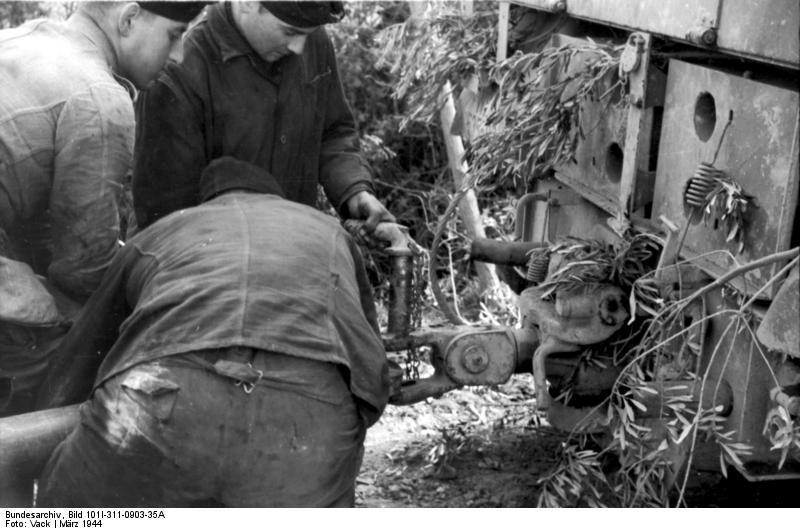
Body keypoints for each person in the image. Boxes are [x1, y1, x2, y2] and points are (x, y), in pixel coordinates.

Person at [36, 157, 390, 507]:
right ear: (275, 196)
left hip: (161, 399)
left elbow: (86, 350)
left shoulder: (163, 232)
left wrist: (38, 419)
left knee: (64, 512)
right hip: (308, 419)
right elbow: (369, 359)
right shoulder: (328, 231)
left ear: (206, 200)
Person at [0, 2, 207, 419]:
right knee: (89, 359)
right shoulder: (101, 99)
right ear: (129, 19)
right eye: (174, 34)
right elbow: (83, 268)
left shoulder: (20, 40)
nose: (179, 55)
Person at [133, 1, 394, 239]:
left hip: (294, 249)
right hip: (213, 264)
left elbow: (334, 131)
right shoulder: (180, 71)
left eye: (307, 34)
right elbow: (165, 216)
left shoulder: (311, 40)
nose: (299, 48)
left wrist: (353, 189)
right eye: (289, 32)